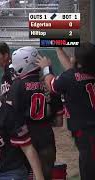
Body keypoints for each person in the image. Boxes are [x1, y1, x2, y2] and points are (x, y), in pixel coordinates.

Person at [36, 42, 95, 180]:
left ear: (79, 63)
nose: (72, 58)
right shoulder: (83, 72)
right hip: (89, 129)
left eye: (74, 56)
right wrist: (59, 49)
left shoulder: (70, 77)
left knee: (88, 170)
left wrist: (46, 69)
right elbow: (73, 71)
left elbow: (51, 85)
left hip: (87, 132)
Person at [7, 46, 64, 180]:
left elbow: (10, 115)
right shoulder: (48, 83)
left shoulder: (17, 85)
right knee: (45, 174)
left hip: (25, 137)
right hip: (46, 136)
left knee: (24, 174)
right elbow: (59, 121)